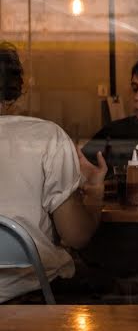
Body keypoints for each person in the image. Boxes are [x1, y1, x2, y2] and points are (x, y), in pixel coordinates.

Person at [0, 42, 107, 303]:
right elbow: (77, 236)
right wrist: (94, 194)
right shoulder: (46, 137)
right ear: (14, 89)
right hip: (31, 296)